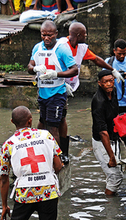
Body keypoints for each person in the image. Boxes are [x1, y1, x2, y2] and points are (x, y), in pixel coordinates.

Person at [56, 22, 121, 160]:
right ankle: (58, 152)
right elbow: (51, 64)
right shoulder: (61, 46)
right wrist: (60, 83)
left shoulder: (81, 48)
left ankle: (64, 153)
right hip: (56, 85)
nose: (86, 36)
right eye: (85, 34)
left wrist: (112, 70)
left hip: (68, 87)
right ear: (79, 35)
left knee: (62, 118)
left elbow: (96, 59)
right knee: (52, 120)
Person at [28, 20, 77, 163]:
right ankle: (40, 148)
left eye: (50, 35)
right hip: (43, 92)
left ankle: (58, 156)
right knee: (43, 121)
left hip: (57, 92)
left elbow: (74, 69)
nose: (47, 38)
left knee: (54, 125)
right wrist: (34, 68)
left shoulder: (62, 49)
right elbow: (30, 65)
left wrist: (56, 74)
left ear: (56, 34)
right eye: (44, 35)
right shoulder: (37, 48)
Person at [91, 70, 122, 196]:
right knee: (115, 177)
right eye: (106, 82)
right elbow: (103, 133)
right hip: (102, 141)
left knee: (116, 174)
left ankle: (111, 198)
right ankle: (109, 207)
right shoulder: (98, 101)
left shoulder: (113, 92)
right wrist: (111, 157)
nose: (109, 84)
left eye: (111, 81)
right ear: (100, 83)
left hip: (113, 137)